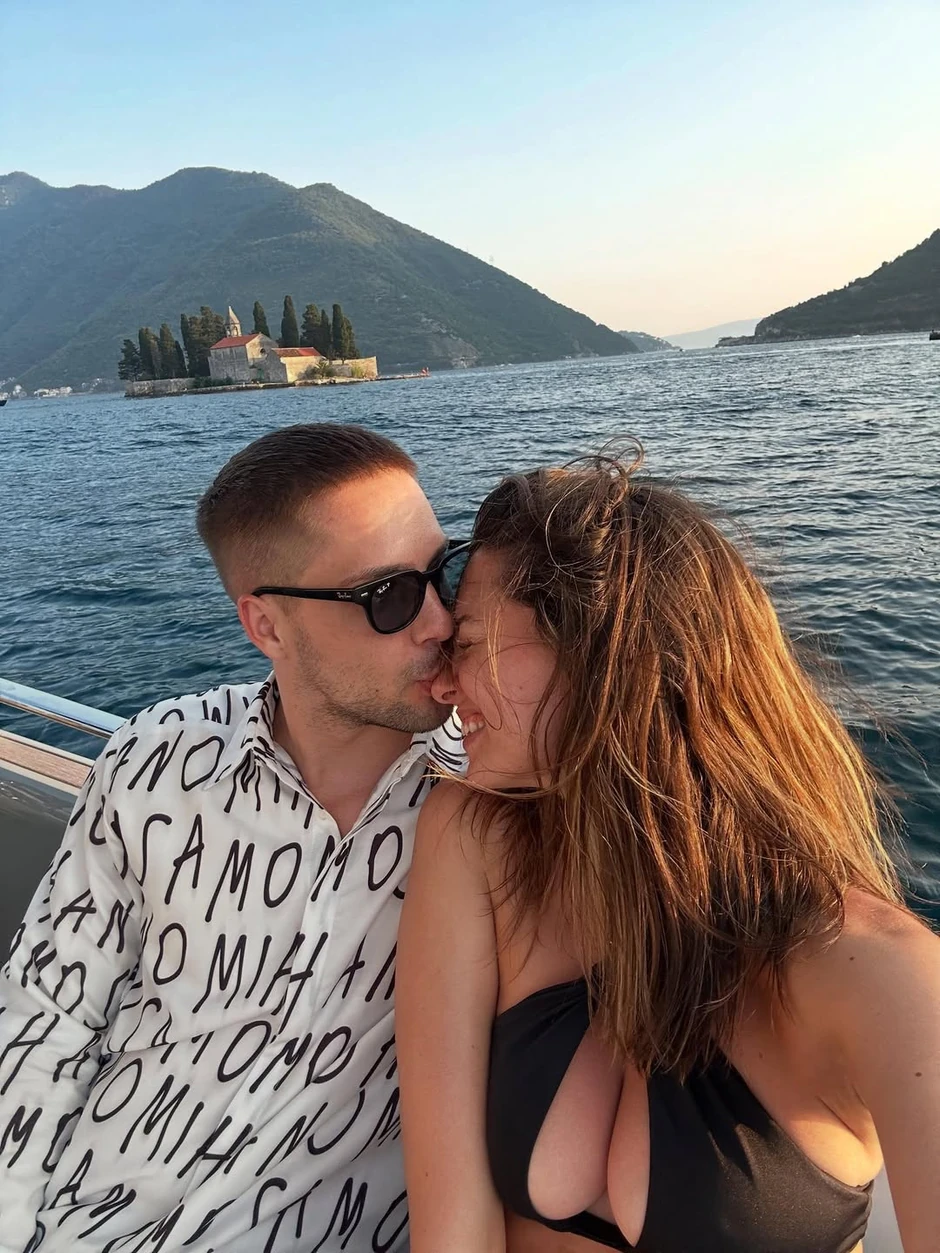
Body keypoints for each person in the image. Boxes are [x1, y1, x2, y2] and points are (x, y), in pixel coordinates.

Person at [397, 449, 940, 1253]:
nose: (444, 685)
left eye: (468, 641)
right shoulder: (476, 834)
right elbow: (452, 1227)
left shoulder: (880, 973)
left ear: (596, 654)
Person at [0, 423, 468, 1252]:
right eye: (388, 596)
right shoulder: (157, 759)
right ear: (267, 627)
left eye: (446, 572)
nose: (439, 620)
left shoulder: (488, 799)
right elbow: (47, 1014)